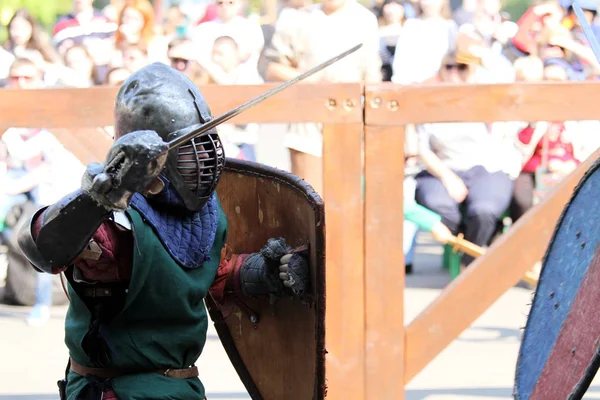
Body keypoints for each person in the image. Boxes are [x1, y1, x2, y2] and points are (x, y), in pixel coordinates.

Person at [17, 63, 310, 400]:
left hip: (182, 388)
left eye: (204, 143)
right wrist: (100, 194)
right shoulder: (115, 226)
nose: (203, 161)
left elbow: (210, 275)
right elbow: (40, 248)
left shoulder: (207, 214)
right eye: (188, 151)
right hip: (118, 392)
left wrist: (272, 272)